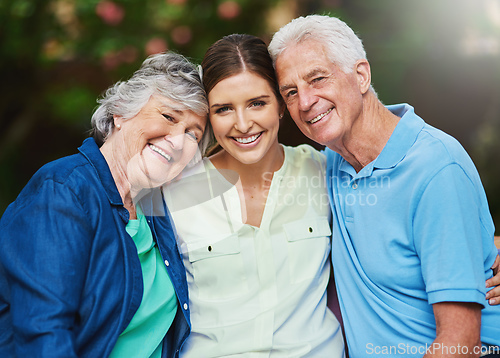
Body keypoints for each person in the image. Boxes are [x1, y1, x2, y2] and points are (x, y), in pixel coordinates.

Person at [268, 14, 500, 358]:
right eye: (290, 92)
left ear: (361, 75)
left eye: (317, 79)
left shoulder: (435, 169)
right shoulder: (326, 164)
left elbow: (459, 344)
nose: (305, 102)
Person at [0, 51, 210, 358]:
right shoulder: (63, 191)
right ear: (121, 112)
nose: (178, 141)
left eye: (194, 134)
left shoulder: (160, 210)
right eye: (169, 116)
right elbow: (44, 333)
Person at [162, 34, 345, 357]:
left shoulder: (324, 172)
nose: (243, 124)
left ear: (282, 105)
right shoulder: (173, 192)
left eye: (257, 103)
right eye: (224, 109)